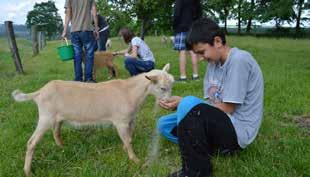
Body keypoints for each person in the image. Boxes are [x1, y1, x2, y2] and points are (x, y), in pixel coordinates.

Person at [157, 18, 264, 177]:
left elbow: (228, 108)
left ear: (218, 41)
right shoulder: (212, 65)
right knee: (164, 125)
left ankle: (196, 171)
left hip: (238, 132)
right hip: (221, 123)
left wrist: (185, 103)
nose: (200, 58)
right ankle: (204, 148)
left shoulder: (239, 60)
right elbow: (209, 104)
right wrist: (184, 105)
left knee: (188, 103)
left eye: (201, 52)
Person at [62, 0, 99, 83]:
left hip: (74, 31)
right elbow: (94, 12)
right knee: (89, 55)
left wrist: (64, 31)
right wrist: (96, 28)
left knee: (77, 56)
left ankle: (78, 79)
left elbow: (68, 14)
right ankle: (88, 79)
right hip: (87, 30)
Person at [173, 0, 202, 81]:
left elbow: (176, 14)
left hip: (181, 27)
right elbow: (199, 15)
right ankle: (196, 76)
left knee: (182, 51)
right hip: (193, 28)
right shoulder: (196, 1)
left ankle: (183, 77)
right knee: (193, 51)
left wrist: (175, 27)